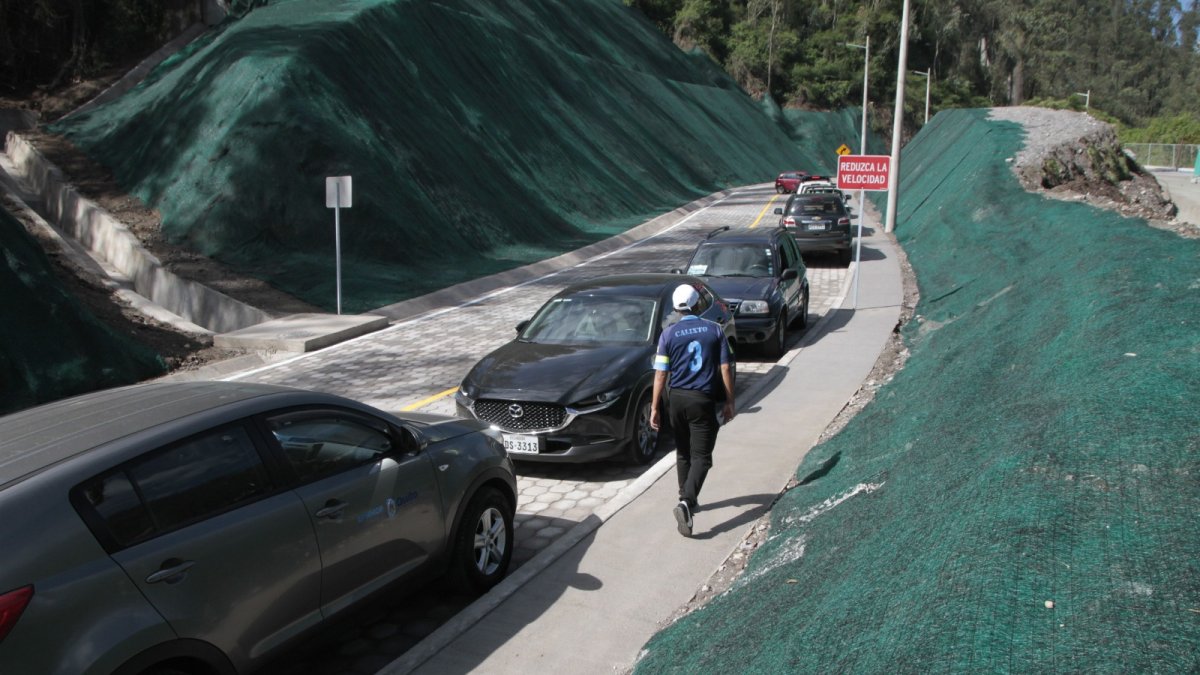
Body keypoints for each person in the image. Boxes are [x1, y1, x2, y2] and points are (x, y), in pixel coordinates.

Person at [650, 283, 736, 537]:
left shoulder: (668, 334)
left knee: (684, 451)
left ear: (676, 309)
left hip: (676, 399)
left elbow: (660, 374)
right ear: (699, 304)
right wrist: (730, 401)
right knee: (703, 457)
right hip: (702, 399)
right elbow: (725, 368)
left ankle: (685, 496)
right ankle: (687, 502)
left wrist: (655, 407)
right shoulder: (715, 330)